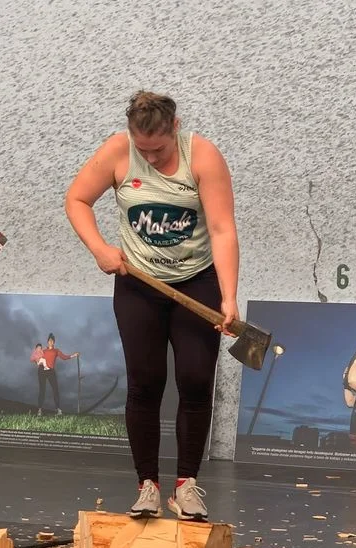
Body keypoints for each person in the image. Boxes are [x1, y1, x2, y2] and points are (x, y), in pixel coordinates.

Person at [65, 90, 240, 522]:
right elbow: (76, 200)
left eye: (159, 149)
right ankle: (148, 485)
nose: (151, 157)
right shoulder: (117, 151)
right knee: (145, 383)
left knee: (196, 380)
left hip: (195, 283)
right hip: (138, 285)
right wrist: (99, 248)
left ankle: (187, 486)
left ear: (175, 128)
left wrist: (229, 295)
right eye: (143, 149)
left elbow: (222, 229)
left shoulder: (202, 156)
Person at [36, 333, 79, 416]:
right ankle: (39, 410)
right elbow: (36, 358)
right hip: (42, 370)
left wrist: (74, 355)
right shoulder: (43, 351)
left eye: (52, 341)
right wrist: (37, 361)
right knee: (42, 389)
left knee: (55, 389)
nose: (50, 342)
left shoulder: (56, 351)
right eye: (49, 340)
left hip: (51, 371)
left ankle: (58, 409)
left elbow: (64, 357)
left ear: (54, 342)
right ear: (47, 342)